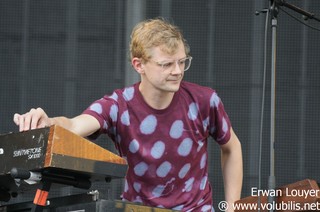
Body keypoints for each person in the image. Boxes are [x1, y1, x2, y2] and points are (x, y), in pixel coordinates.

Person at [13, 18, 242, 212]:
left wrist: (234, 206)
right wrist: (50, 122)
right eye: (166, 64)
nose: (178, 71)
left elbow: (232, 147)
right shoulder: (118, 106)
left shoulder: (204, 100)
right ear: (138, 64)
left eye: (183, 62)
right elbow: (74, 125)